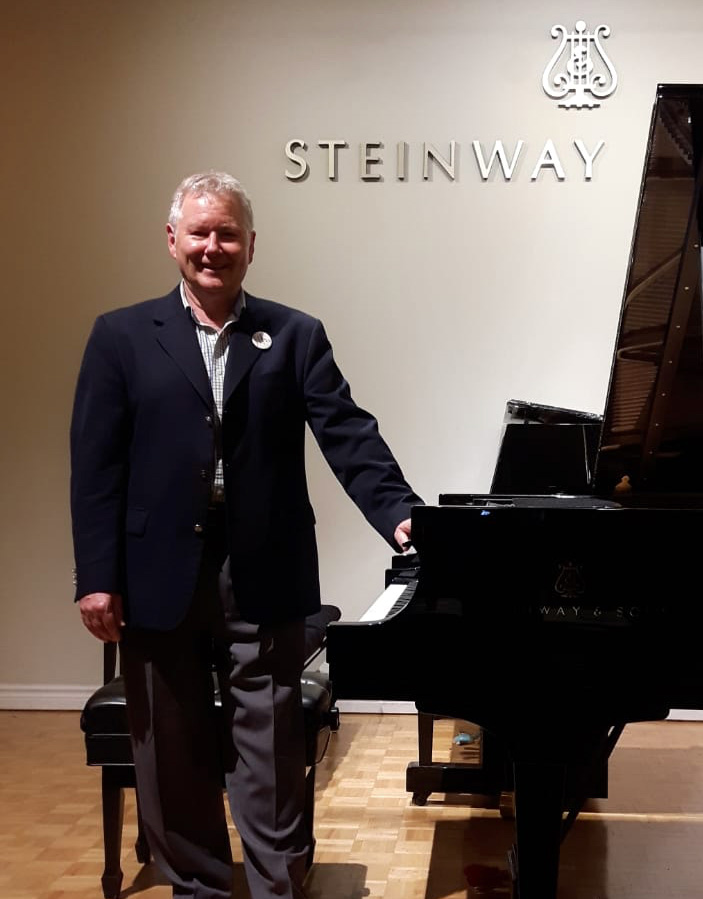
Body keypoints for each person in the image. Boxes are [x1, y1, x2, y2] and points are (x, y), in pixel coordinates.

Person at [70, 170, 422, 899]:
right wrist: (96, 574)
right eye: (198, 232)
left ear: (251, 245)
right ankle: (197, 887)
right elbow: (95, 467)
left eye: (227, 233)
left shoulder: (295, 334)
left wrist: (401, 514)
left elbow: (347, 434)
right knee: (168, 748)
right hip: (154, 572)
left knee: (268, 749)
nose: (212, 246)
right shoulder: (120, 336)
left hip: (263, 568)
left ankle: (275, 887)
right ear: (172, 241)